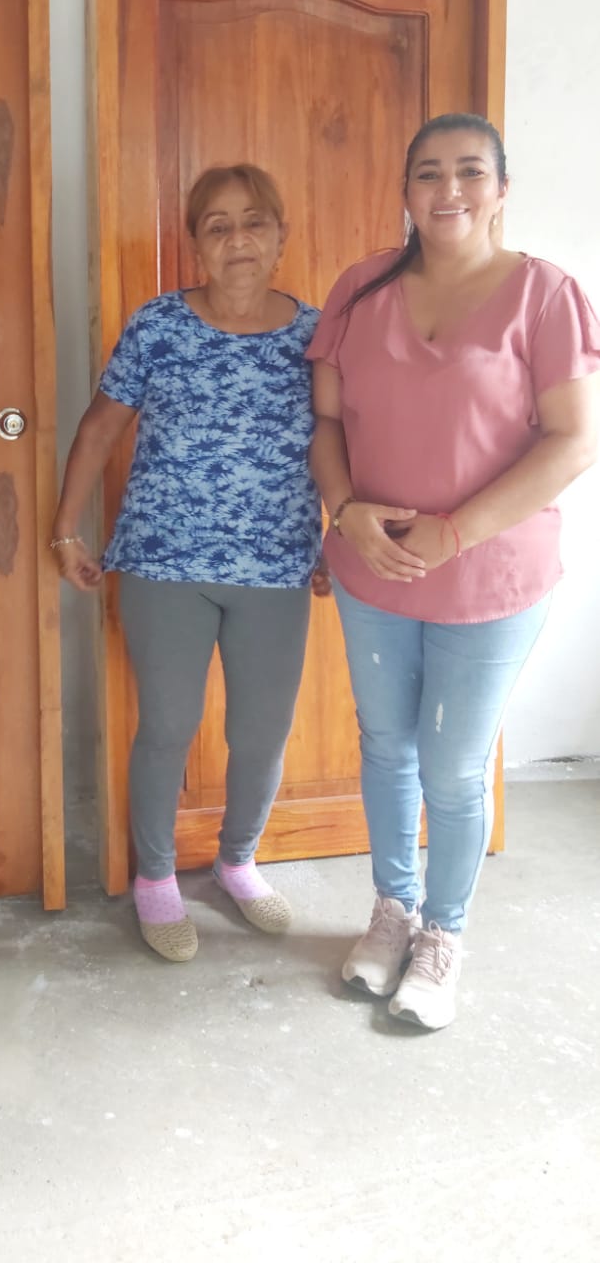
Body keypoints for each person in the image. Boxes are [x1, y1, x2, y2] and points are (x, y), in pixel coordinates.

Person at [306, 113, 599, 1030]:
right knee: (385, 745)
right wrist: (344, 509)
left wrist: (457, 532)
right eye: (428, 173)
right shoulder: (358, 291)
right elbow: (326, 423)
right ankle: (392, 910)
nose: (449, 190)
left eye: (470, 171)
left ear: (501, 189)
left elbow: (574, 440)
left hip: (489, 576)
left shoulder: (545, 296)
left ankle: (443, 933)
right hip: (374, 567)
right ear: (405, 192)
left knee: (455, 767)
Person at [52, 164, 324, 962]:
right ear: (196, 244)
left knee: (262, 732)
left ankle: (238, 863)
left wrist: (341, 536)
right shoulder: (159, 325)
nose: (238, 239)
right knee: (168, 725)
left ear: (280, 235)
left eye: (254, 221)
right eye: (217, 225)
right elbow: (100, 428)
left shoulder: (317, 336)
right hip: (164, 562)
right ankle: (156, 878)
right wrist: (66, 530)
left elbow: (345, 439)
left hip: (276, 564)